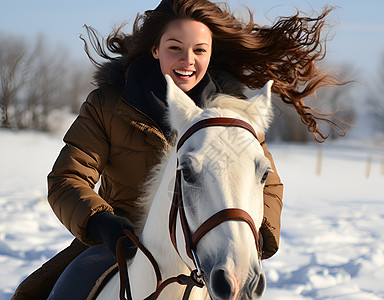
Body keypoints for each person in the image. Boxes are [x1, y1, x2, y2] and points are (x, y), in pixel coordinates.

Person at [12, 0, 342, 298]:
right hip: (120, 241)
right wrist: (103, 223)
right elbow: (66, 179)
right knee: (37, 293)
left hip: (209, 242)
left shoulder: (234, 116)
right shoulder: (108, 104)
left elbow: (266, 181)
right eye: (175, 47)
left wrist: (250, 236)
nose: (188, 60)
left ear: (211, 53)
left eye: (200, 50)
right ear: (155, 49)